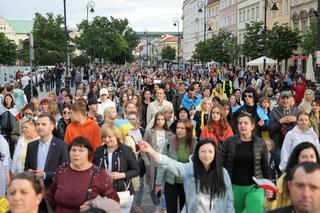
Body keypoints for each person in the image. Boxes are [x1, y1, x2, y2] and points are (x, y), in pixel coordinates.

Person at [139, 138, 235, 212]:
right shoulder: (189, 169)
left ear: (215, 154)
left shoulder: (223, 172)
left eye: (210, 151)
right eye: (203, 151)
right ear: (197, 153)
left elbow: (229, 200)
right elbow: (169, 163)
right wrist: (151, 151)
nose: (206, 155)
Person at [46, 137, 119, 212]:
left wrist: (93, 204)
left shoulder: (99, 174)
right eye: (73, 150)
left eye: (81, 150)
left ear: (89, 153)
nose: (76, 154)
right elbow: (50, 197)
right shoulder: (61, 170)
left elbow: (114, 202)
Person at [221, 113, 270, 213]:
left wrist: (268, 186)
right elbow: (221, 164)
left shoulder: (260, 143)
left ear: (252, 126)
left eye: (245, 123)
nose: (242, 125)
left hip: (255, 187)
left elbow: (265, 167)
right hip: (234, 187)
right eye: (240, 123)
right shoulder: (229, 142)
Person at [93, 125, 139, 213]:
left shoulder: (126, 150)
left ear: (117, 136)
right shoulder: (99, 151)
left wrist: (120, 175)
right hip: (104, 192)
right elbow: (94, 169)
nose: (106, 139)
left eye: (110, 137)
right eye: (104, 137)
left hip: (123, 191)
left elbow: (136, 170)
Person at [155, 119, 196, 213]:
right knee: (171, 210)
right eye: (178, 128)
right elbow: (163, 163)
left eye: (182, 128)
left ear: (188, 130)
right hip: (171, 182)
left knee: (185, 210)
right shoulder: (170, 141)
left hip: (187, 183)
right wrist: (158, 183)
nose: (179, 130)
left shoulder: (194, 143)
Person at [267, 142, 320, 210]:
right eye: (304, 157)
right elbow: (274, 205)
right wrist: (271, 198)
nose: (309, 160)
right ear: (297, 159)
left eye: (312, 156)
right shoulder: (285, 178)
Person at [24, 113, 69, 189]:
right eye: (38, 124)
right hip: (34, 189)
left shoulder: (62, 146)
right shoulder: (31, 145)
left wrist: (45, 175)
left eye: (43, 124)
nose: (40, 127)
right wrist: (29, 172)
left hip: (53, 190)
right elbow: (26, 167)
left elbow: (64, 171)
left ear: (52, 127)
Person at [142, 111, 175, 212]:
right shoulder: (149, 132)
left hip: (164, 164)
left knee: (164, 187)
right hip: (153, 164)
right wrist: (146, 162)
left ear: (165, 121)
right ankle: (157, 204)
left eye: (162, 119)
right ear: (155, 120)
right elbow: (142, 147)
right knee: (153, 186)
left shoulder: (170, 134)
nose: (160, 121)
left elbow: (173, 150)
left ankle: (164, 207)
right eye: (158, 119)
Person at [269, 91, 300, 156]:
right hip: (279, 145)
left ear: (290, 99)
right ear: (279, 100)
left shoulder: (296, 110)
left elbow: (303, 127)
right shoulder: (273, 112)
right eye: (283, 98)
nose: (285, 101)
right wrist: (280, 122)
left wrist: (296, 120)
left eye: (287, 98)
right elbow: (270, 129)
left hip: (294, 144)